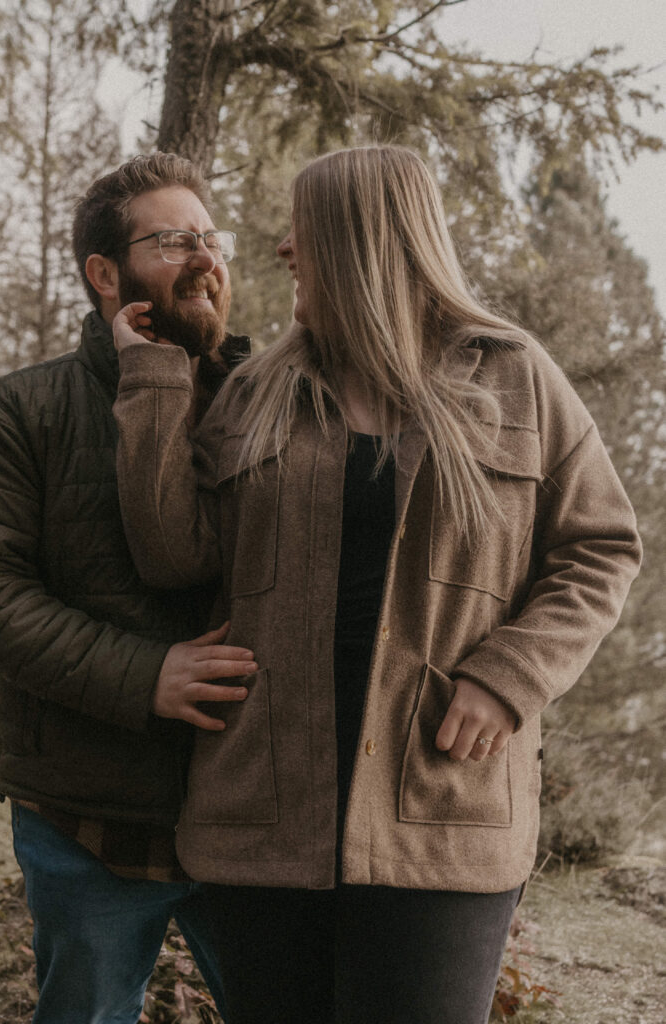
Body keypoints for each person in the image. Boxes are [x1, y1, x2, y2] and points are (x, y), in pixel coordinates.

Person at [109, 145, 643, 1024]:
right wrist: (157, 373)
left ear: (361, 240)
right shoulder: (255, 391)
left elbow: (601, 548)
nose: (282, 251)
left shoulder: (511, 375)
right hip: (264, 817)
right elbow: (172, 554)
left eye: (301, 229)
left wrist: (507, 677)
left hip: (444, 812)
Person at [0, 152, 257, 1024]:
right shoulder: (20, 411)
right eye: (173, 239)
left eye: (210, 236)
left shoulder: (271, 405)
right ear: (104, 274)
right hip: (86, 817)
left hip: (258, 813)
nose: (204, 257)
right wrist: (143, 675)